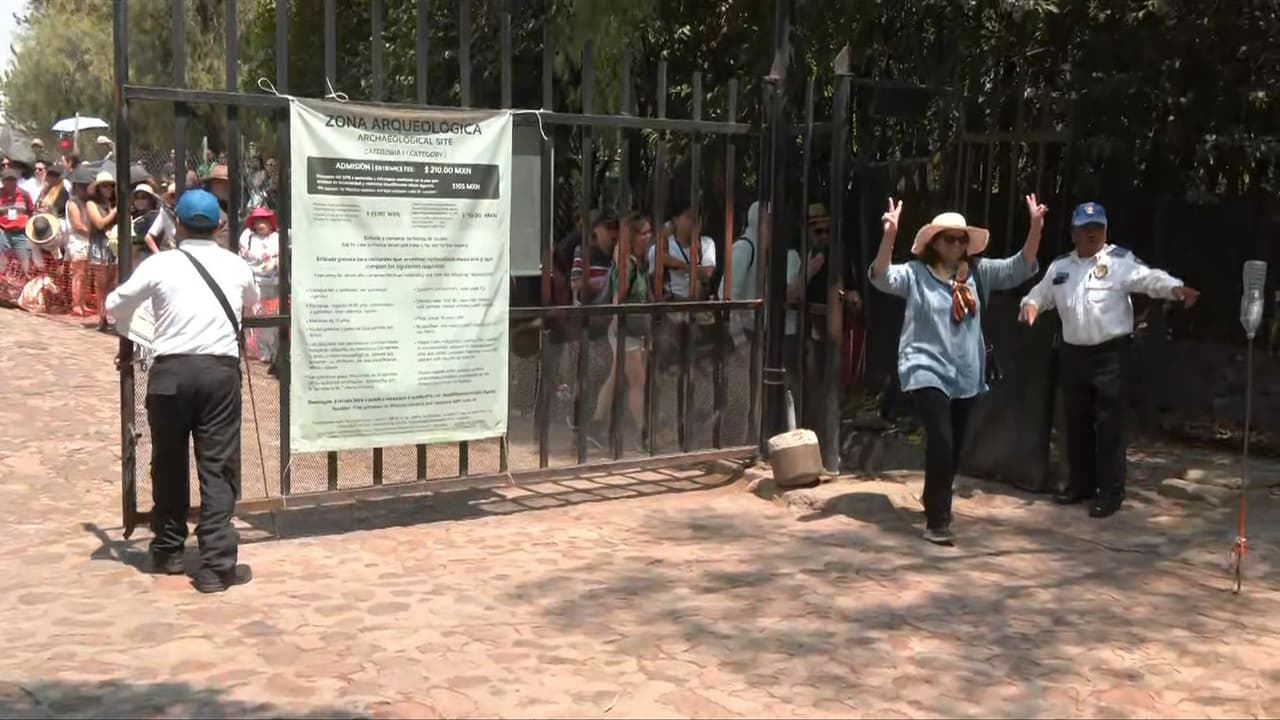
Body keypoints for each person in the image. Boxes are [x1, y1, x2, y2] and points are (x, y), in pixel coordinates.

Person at [869, 194, 1047, 545]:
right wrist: (889, 235)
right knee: (942, 437)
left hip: (966, 372)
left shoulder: (978, 273)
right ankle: (939, 519)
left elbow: (1020, 266)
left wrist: (1036, 227)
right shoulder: (916, 274)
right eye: (949, 237)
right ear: (934, 242)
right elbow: (881, 276)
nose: (956, 243)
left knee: (954, 445)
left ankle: (932, 496)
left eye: (961, 238)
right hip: (925, 367)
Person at [104, 189, 258, 594]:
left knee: (168, 464)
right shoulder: (236, 265)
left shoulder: (161, 264)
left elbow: (113, 304)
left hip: (170, 373)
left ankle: (169, 549)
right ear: (220, 225)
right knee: (218, 467)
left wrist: (135, 325)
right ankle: (216, 566)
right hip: (218, 374)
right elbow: (252, 305)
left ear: (179, 225)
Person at [1019, 201, 1199, 518]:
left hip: (1110, 356)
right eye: (1084, 228)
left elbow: (1148, 278)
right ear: (1073, 232)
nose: (1091, 234)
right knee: (1075, 424)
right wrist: (1030, 306)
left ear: (1105, 230)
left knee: (1109, 426)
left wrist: (1175, 288)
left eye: (1096, 228)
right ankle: (1080, 486)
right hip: (1074, 353)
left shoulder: (1119, 261)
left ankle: (1111, 492)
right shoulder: (1061, 267)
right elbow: (1040, 294)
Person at [588, 212, 654, 450]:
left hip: (633, 328)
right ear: (634, 237)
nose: (649, 237)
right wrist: (618, 325)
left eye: (650, 232)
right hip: (625, 328)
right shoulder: (626, 263)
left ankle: (594, 426)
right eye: (644, 232)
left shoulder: (639, 262)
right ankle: (644, 436)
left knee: (615, 378)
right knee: (638, 381)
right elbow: (619, 297)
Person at [238, 207, 280, 367]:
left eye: (264, 220)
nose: (261, 224)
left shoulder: (277, 237)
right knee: (257, 317)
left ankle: (274, 351)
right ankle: (262, 352)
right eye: (257, 221)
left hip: (275, 283)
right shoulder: (247, 237)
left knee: (274, 318)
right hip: (255, 283)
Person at [86, 171, 119, 329]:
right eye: (104, 186)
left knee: (114, 283)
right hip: (99, 245)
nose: (108, 189)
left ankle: (113, 316)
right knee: (101, 284)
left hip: (114, 244)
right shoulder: (92, 204)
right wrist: (114, 212)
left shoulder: (114, 203)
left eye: (110, 186)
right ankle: (102, 317)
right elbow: (99, 223)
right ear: (98, 188)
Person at [65, 166, 95, 316]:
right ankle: (76, 305)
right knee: (79, 274)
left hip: (87, 241)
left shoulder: (87, 202)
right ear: (76, 187)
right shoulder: (73, 203)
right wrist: (94, 234)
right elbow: (77, 225)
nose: (85, 190)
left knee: (87, 274)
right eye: (83, 187)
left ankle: (82, 303)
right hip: (78, 241)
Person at [0, 167, 36, 277]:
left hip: (21, 233)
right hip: (3, 232)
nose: (10, 182)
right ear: (2, 181)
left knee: (26, 263)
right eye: (7, 179)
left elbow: (31, 212)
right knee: (2, 262)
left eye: (12, 179)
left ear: (16, 180)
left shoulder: (25, 194)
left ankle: (24, 288)